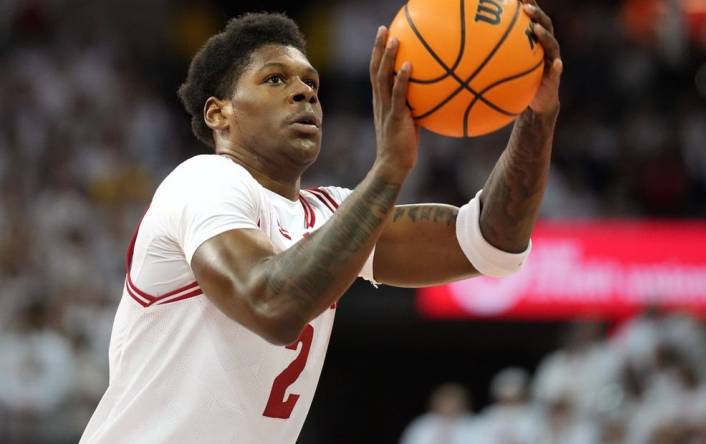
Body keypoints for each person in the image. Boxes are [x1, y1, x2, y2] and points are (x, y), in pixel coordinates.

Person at [80, 1, 563, 442]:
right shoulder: (203, 181)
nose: (303, 94)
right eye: (275, 79)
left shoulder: (331, 213)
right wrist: (389, 170)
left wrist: (536, 115)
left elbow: (491, 240)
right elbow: (272, 304)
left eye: (311, 84)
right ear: (218, 113)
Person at [400, 383, 476, 444]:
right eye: (444, 400)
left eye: (452, 400)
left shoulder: (474, 424)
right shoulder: (423, 424)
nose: (448, 405)